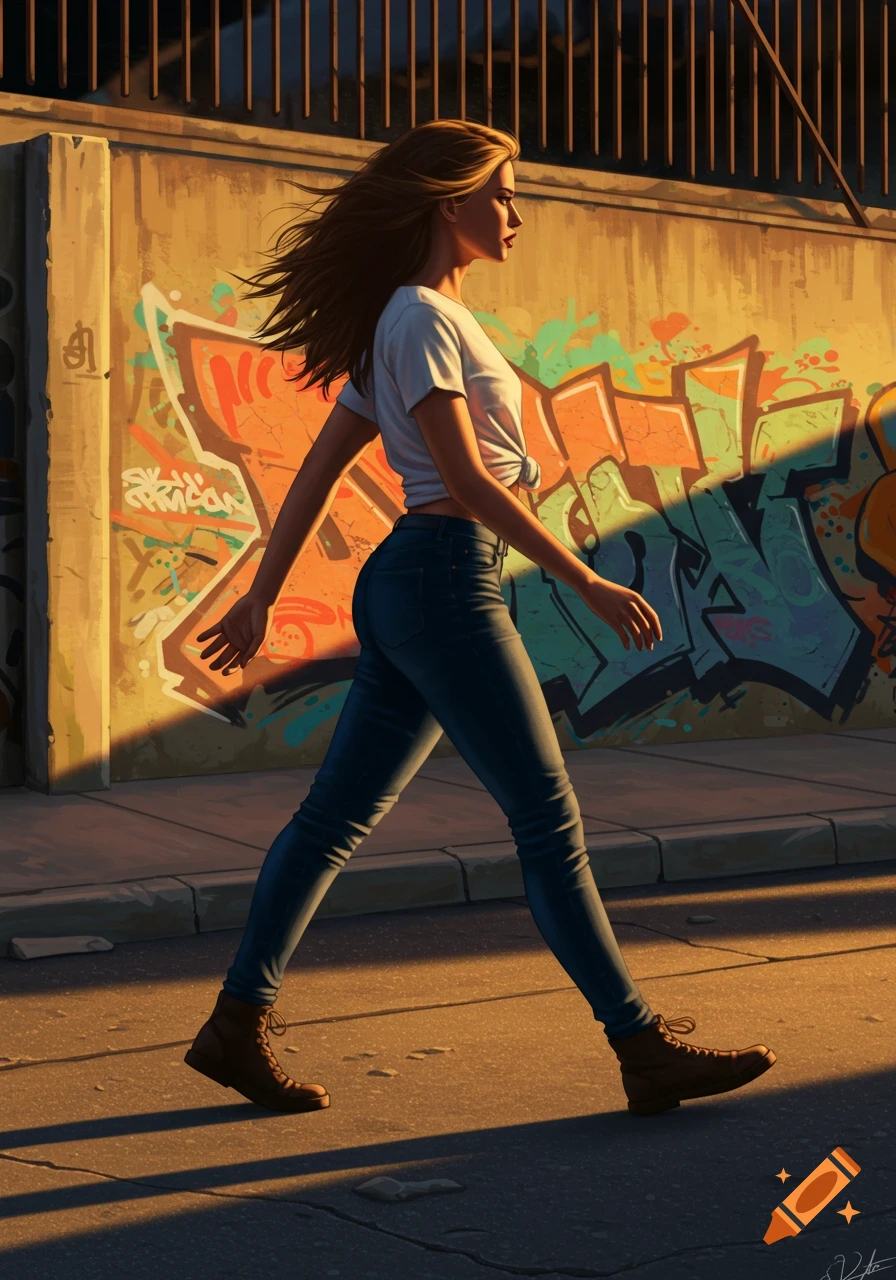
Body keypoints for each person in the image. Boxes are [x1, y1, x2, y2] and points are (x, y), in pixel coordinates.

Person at [185, 118, 776, 1118]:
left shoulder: (409, 322)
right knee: (545, 818)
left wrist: (261, 590)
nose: (515, 214)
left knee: (335, 816)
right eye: (501, 192)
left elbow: (318, 474)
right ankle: (639, 1044)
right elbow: (458, 475)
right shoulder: (417, 318)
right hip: (444, 576)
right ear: (446, 199)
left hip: (413, 582)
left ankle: (235, 1025)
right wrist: (581, 578)